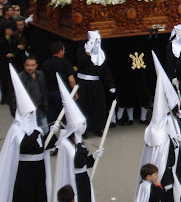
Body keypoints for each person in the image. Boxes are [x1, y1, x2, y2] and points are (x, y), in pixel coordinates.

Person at [0, 65, 51, 201]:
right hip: (25, 171)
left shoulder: (36, 128)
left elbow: (42, 147)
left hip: (38, 170)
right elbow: (25, 144)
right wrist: (36, 133)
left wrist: (50, 136)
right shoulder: (16, 130)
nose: (32, 116)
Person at [53, 73, 103, 202]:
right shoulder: (66, 144)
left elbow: (83, 163)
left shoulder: (79, 140)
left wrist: (93, 157)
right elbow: (77, 163)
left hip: (83, 178)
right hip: (73, 180)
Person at [76, 31, 116, 136]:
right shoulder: (81, 50)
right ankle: (83, 130)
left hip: (96, 83)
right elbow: (81, 63)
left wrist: (111, 84)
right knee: (83, 107)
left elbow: (105, 70)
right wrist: (87, 52)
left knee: (98, 106)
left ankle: (97, 127)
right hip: (83, 84)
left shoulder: (101, 54)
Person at [41, 42, 77, 126]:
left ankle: (51, 132)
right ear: (60, 51)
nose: (64, 52)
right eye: (63, 50)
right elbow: (71, 80)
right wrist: (75, 92)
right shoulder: (65, 63)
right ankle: (64, 132)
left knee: (51, 116)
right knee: (64, 117)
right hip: (61, 93)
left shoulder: (46, 63)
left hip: (48, 92)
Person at [14, 56, 48, 131]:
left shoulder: (40, 74)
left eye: (32, 65)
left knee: (45, 130)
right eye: (28, 65)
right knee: (30, 132)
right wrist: (15, 112)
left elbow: (43, 90)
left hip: (40, 108)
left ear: (36, 66)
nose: (30, 68)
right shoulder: (20, 77)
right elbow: (14, 96)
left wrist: (45, 104)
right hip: (28, 112)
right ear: (24, 65)